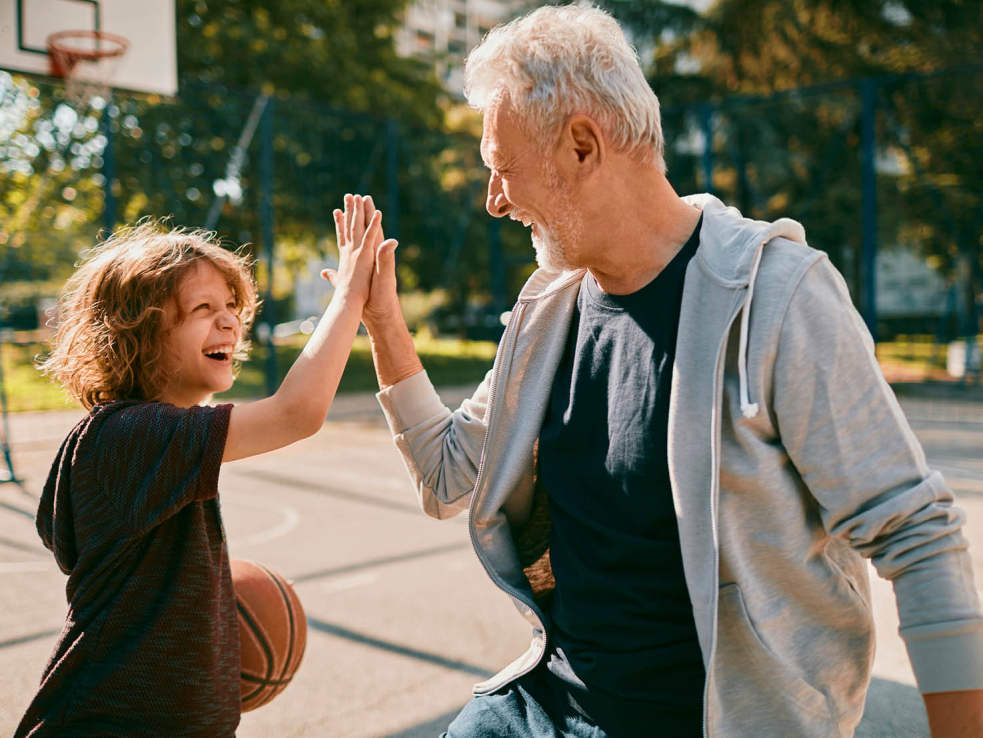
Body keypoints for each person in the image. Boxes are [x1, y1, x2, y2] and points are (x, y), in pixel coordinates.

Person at [356, 5, 983, 738]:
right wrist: (382, 321)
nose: (494, 200)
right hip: (550, 703)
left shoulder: (776, 297)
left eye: (501, 169)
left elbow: (916, 534)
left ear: (582, 145)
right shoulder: (548, 311)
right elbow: (445, 477)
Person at [16, 196, 391, 737]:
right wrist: (352, 293)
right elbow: (295, 413)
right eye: (202, 310)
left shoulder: (158, 439)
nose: (230, 322)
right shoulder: (129, 436)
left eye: (231, 306)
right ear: (140, 333)